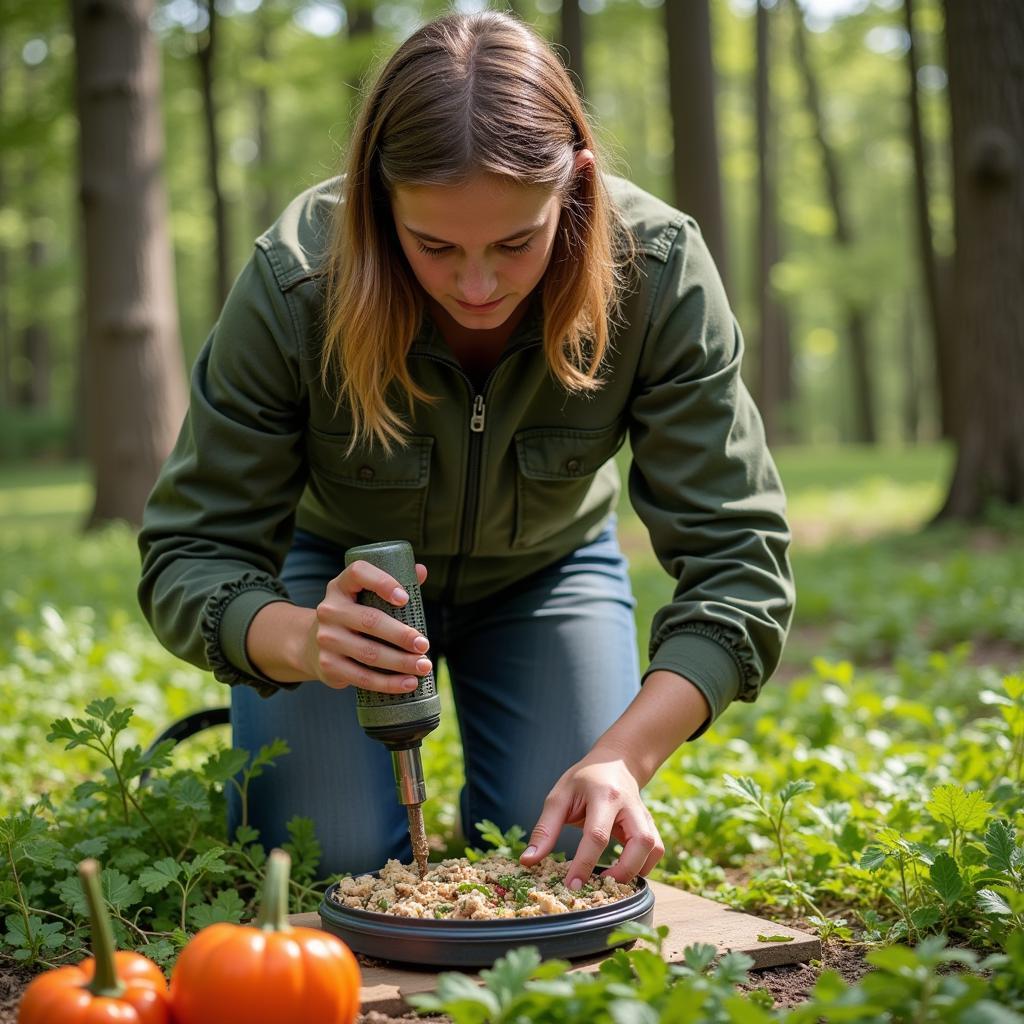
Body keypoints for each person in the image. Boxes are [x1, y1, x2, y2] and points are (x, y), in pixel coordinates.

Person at [138, 9, 794, 893]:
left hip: (547, 572)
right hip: (333, 579)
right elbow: (189, 550)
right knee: (326, 860)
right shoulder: (296, 280)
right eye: (434, 246)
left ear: (579, 188)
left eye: (517, 243)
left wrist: (624, 760)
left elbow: (740, 565)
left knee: (567, 858)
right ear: (378, 200)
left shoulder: (660, 269)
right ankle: (289, 744)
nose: (477, 286)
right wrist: (300, 640)